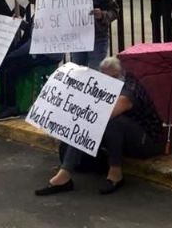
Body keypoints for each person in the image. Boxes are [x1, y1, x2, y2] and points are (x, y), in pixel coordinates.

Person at [36, 57, 164, 196]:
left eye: (113, 78)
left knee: (112, 122)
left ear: (120, 74)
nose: (109, 82)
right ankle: (64, 175)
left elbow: (104, 116)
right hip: (122, 138)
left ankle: (116, 174)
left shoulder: (129, 89)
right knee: (82, 125)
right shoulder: (106, 84)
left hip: (147, 141)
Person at [0, 0, 64, 122]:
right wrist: (21, 23)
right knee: (4, 64)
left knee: (10, 66)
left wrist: (15, 54)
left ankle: (11, 106)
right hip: (36, 51)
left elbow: (35, 41)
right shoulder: (41, 10)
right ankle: (5, 102)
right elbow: (32, 31)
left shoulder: (50, 13)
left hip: (46, 54)